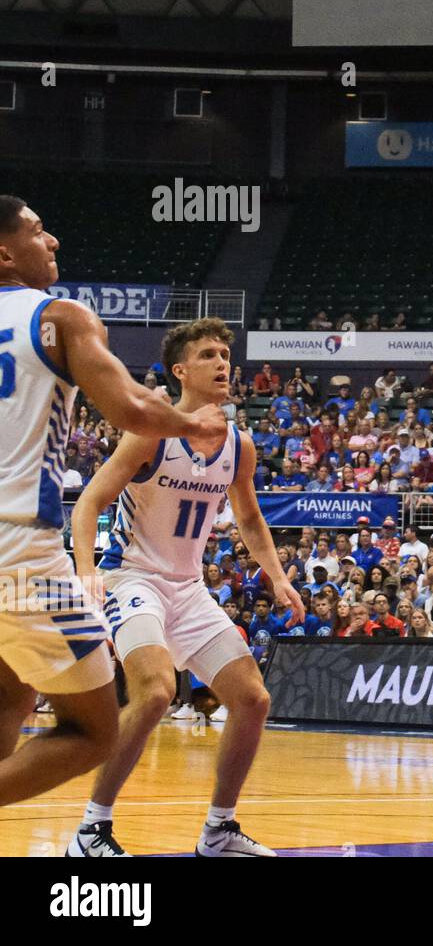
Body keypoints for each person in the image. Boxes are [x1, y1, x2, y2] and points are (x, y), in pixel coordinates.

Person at [0, 196, 226, 817]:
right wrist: (189, 424)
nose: (53, 243)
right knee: (93, 731)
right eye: (39, 232)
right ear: (5, 252)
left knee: (11, 696)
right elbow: (129, 408)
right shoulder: (59, 316)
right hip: (19, 553)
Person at [67, 317, 305, 857]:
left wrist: (277, 576)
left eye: (225, 353)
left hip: (189, 587)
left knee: (252, 699)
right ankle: (90, 830)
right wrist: (85, 569)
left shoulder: (239, 445)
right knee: (153, 692)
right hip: (134, 577)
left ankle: (219, 829)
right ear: (180, 370)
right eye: (208, 355)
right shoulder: (151, 430)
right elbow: (87, 504)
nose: (223, 362)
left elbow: (248, 518)